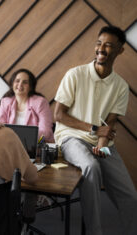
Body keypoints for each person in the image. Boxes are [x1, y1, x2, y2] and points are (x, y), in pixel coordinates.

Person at [54, 26, 137, 235]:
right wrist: (93, 129)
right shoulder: (75, 74)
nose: (102, 48)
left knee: (130, 196)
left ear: (120, 50)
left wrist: (101, 144)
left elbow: (110, 123)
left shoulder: (120, 86)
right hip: (71, 138)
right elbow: (59, 115)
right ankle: (95, 231)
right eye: (99, 43)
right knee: (91, 167)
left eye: (109, 45)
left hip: (102, 143)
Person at [0, 68, 54, 143]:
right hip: (10, 144)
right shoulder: (5, 102)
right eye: (17, 81)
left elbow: (46, 132)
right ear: (12, 83)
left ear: (30, 87)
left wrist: (23, 138)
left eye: (25, 82)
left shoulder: (40, 102)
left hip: (36, 146)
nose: (20, 84)